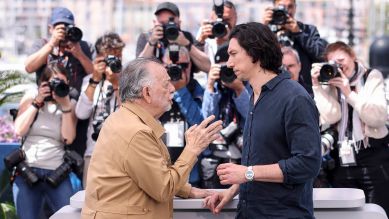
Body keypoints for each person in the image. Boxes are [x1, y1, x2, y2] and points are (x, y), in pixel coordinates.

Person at [204, 22, 321, 218]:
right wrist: (233, 190)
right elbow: (262, 158)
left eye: (233, 54)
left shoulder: (295, 98)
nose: (229, 63)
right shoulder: (255, 95)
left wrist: (247, 173)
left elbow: (308, 163)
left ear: (255, 53)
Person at [81, 57, 223, 219]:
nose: (172, 89)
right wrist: (192, 149)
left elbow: (149, 175)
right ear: (146, 93)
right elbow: (163, 189)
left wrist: (186, 190)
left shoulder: (125, 119)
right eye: (166, 84)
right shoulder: (135, 131)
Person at [311, 41, 389, 215]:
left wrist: (348, 93)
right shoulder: (330, 81)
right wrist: (318, 86)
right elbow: (332, 117)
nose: (339, 67)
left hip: (373, 157)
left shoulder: (371, 77)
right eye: (333, 64)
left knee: (377, 212)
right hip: (343, 161)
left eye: (341, 60)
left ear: (352, 56)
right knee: (346, 214)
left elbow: (377, 117)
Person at [24, 6, 94, 162]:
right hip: (47, 106)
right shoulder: (42, 44)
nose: (64, 32)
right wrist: (51, 44)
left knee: (75, 152)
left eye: (68, 27)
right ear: (50, 28)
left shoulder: (83, 46)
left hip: (74, 109)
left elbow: (95, 75)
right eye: (59, 27)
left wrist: (79, 54)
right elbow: (29, 67)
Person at [13, 63, 77, 219]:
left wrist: (66, 106)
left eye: (61, 82)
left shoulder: (69, 103)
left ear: (67, 83)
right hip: (28, 171)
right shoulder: (31, 96)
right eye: (53, 82)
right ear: (43, 83)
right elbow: (19, 130)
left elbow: (68, 139)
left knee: (69, 216)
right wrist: (37, 101)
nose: (56, 86)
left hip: (57, 172)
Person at [75, 32, 125, 188]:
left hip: (121, 156)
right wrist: (95, 79)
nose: (112, 63)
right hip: (94, 153)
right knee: (90, 205)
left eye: (117, 58)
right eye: (108, 58)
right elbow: (81, 113)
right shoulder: (89, 81)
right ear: (98, 58)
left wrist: (116, 83)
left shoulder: (127, 82)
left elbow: (128, 114)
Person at [201, 44, 250, 188]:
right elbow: (208, 120)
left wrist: (239, 89)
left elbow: (251, 116)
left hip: (242, 158)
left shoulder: (247, 87)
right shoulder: (214, 90)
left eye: (230, 70)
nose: (227, 74)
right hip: (217, 158)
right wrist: (210, 86)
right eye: (223, 70)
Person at [160, 45, 205, 187]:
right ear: (162, 67)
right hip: (161, 171)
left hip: (192, 173)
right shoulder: (156, 91)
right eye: (171, 66)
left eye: (182, 66)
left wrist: (181, 91)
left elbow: (201, 125)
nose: (177, 70)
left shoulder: (197, 89)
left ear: (190, 65)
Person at [262, 0, 327, 95]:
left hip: (304, 90)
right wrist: (263, 28)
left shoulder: (308, 30)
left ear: (295, 8)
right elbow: (254, 55)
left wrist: (299, 33)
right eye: (282, 7)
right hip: (272, 90)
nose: (287, 11)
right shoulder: (266, 31)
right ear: (274, 8)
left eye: (290, 7)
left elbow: (321, 55)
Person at [136, 2, 211, 72]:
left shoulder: (187, 37)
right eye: (162, 24)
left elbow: (207, 67)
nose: (167, 28)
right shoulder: (146, 37)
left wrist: (186, 44)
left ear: (179, 23)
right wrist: (151, 42)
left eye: (170, 24)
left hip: (184, 83)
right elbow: (138, 70)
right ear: (155, 23)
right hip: (156, 84)